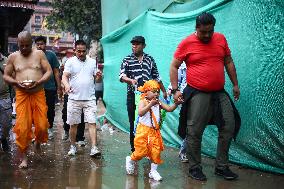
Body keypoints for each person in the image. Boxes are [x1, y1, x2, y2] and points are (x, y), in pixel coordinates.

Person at [169, 12, 241, 181]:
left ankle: (221, 167)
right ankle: (195, 168)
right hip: (197, 92)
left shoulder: (221, 39)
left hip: (219, 91)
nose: (207, 35)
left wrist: (235, 84)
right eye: (203, 32)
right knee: (194, 131)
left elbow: (228, 61)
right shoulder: (187, 43)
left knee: (229, 125)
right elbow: (174, 66)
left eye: (210, 31)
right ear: (196, 28)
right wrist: (175, 89)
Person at [3, 31, 52, 168]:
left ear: (32, 43)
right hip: (22, 94)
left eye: (27, 45)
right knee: (23, 128)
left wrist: (40, 81)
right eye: (21, 45)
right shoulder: (13, 57)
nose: (24, 48)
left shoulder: (39, 54)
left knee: (42, 126)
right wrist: (15, 83)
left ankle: (37, 143)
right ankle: (24, 158)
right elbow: (6, 75)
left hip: (38, 92)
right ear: (18, 44)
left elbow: (48, 71)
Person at [125, 80, 182, 181]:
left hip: (154, 131)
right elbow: (140, 113)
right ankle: (130, 159)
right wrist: (150, 104)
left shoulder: (158, 102)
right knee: (140, 152)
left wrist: (176, 103)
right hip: (143, 131)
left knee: (156, 151)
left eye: (158, 91)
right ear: (146, 92)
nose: (156, 93)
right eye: (154, 91)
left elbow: (169, 109)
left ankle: (153, 171)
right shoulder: (143, 101)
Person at [119, 36, 167, 152]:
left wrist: (164, 91)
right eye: (133, 44)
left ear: (143, 45)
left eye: (137, 44)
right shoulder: (127, 59)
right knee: (133, 122)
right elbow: (121, 76)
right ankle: (135, 149)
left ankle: (147, 148)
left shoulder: (150, 59)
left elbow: (157, 77)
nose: (134, 46)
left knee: (148, 122)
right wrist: (130, 80)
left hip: (148, 97)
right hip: (132, 96)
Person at [61, 39, 102, 157]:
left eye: (83, 51)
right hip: (74, 98)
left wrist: (99, 77)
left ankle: (94, 148)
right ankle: (72, 146)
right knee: (73, 124)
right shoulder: (70, 62)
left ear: (86, 50)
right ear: (75, 50)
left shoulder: (92, 62)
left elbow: (97, 79)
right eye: (79, 51)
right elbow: (64, 76)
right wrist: (67, 86)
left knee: (92, 123)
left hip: (90, 98)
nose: (81, 53)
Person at [35, 36, 62, 140]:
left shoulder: (51, 55)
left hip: (50, 87)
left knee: (50, 109)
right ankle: (38, 130)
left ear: (45, 44)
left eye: (41, 44)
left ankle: (49, 128)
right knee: (37, 110)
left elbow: (56, 72)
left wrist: (59, 87)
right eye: (37, 44)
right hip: (36, 88)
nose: (39, 46)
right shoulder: (32, 55)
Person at [167, 62, 188, 163]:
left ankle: (185, 151)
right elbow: (176, 79)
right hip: (184, 99)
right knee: (189, 125)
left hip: (199, 96)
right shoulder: (182, 64)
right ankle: (184, 151)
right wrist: (171, 91)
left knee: (194, 126)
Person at [0, 52, 12, 152]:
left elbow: (13, 76)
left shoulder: (7, 60)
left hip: (4, 96)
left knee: (6, 124)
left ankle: (3, 138)